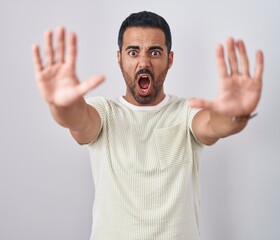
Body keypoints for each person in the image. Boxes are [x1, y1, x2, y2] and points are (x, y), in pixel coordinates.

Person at [32, 11, 263, 240]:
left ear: (169, 59)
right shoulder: (104, 112)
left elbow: (214, 124)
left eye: (154, 52)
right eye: (133, 52)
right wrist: (61, 105)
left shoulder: (186, 112)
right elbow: (77, 118)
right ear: (119, 58)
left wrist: (236, 115)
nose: (144, 62)